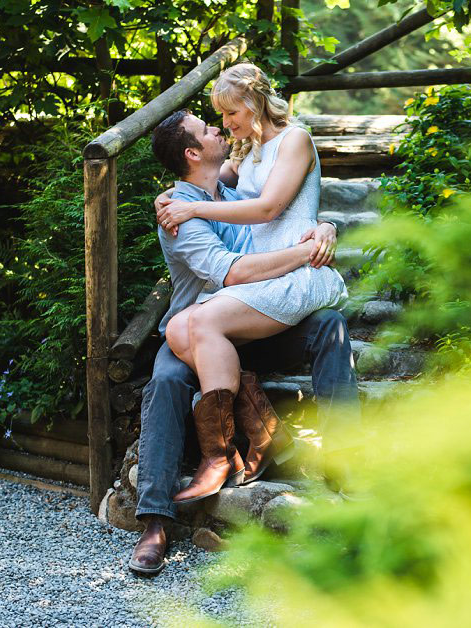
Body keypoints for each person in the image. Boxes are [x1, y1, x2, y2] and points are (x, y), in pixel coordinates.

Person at [129, 109, 360, 576]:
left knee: (330, 326)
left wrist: (325, 229)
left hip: (253, 326)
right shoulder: (177, 214)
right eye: (207, 128)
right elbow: (231, 272)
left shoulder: (232, 190)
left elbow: (279, 206)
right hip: (194, 334)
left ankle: (345, 459)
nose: (219, 127)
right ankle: (154, 521)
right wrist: (303, 254)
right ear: (193, 153)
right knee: (166, 380)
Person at [155, 63, 347, 506]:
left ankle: (221, 457)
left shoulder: (294, 139)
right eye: (217, 118)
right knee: (178, 327)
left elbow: (266, 210)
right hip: (267, 273)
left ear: (252, 103)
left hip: (295, 273)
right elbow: (200, 183)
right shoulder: (250, 153)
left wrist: (324, 226)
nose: (224, 124)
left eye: (228, 113)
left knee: (196, 325)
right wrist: (170, 198)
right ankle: (260, 436)